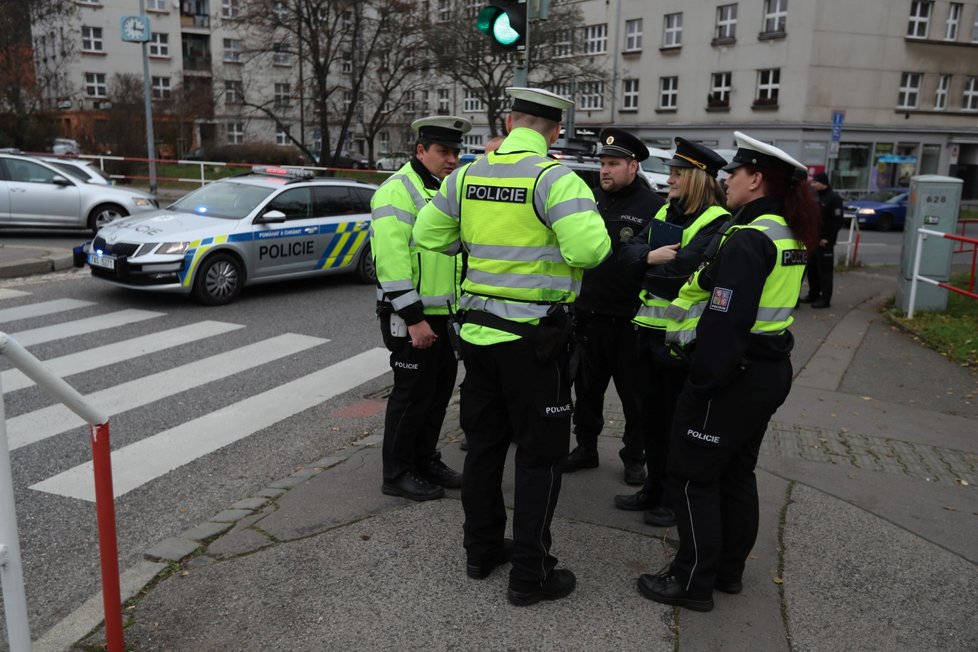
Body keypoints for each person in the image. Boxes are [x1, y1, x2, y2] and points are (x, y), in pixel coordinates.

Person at [414, 87, 611, 606]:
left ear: (507, 120)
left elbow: (429, 235)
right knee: (540, 458)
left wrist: (475, 243)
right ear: (556, 131)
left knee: (483, 448)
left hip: (477, 337)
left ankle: (480, 551)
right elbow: (590, 250)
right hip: (534, 345)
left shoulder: (467, 174)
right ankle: (531, 574)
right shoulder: (554, 178)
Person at [637, 131, 819, 612]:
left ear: (755, 179)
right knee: (736, 474)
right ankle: (726, 572)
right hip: (766, 369)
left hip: (731, 376)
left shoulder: (749, 239)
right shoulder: (786, 231)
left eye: (733, 173)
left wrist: (701, 385)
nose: (727, 180)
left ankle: (691, 581)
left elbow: (725, 321)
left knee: (691, 476)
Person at [615, 137, 730, 527]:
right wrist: (649, 257)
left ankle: (671, 499)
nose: (670, 180)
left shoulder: (715, 220)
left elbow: (679, 275)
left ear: (697, 178)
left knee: (677, 425)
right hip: (647, 333)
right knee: (651, 420)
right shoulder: (667, 210)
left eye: (678, 173)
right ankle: (652, 489)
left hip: (680, 342)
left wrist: (645, 264)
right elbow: (625, 254)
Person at [371, 115, 471, 502]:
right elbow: (391, 262)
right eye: (443, 151)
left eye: (456, 152)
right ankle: (396, 473)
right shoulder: (397, 191)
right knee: (410, 396)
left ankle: (425, 460)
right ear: (420, 150)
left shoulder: (443, 191)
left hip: (445, 315)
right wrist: (414, 319)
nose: (452, 159)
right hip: (411, 316)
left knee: (438, 393)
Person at [562, 128, 664, 485]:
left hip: (630, 321)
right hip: (589, 316)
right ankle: (586, 447)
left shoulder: (653, 208)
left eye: (614, 164)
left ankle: (634, 457)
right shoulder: (589, 200)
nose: (605, 170)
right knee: (586, 391)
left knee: (635, 398)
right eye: (603, 163)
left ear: (633, 167)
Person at [800, 171, 844, 309]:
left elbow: (838, 221)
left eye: (815, 182)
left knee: (824, 271)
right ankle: (813, 294)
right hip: (813, 239)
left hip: (825, 241)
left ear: (823, 183)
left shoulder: (834, 198)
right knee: (812, 270)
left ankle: (825, 299)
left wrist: (828, 238)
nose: (812, 184)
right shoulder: (815, 196)